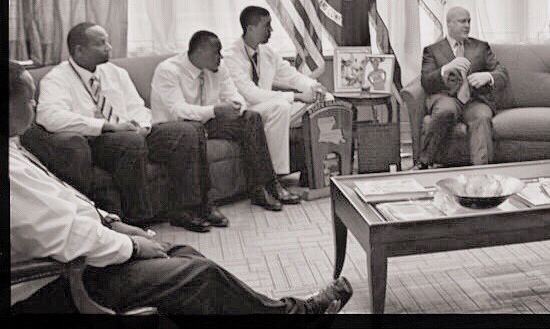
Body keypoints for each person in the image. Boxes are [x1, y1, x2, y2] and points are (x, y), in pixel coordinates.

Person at [9, 61, 352, 315]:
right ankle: (294, 314)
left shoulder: (14, 148)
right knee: (197, 274)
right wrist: (132, 245)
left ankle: (277, 310)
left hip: (86, 255)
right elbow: (64, 233)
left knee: (185, 254)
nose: (34, 106)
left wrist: (112, 222)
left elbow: (63, 201)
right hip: (65, 280)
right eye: (28, 100)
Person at [25, 22, 215, 232]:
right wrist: (106, 126)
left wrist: (143, 125)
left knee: (185, 131)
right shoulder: (58, 78)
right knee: (130, 141)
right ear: (80, 50)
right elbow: (49, 116)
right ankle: (138, 220)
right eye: (101, 43)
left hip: (132, 132)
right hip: (96, 140)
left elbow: (137, 106)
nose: (110, 47)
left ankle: (185, 210)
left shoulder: (116, 72)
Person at [150, 31, 302, 212]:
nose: (221, 58)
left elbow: (233, 94)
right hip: (176, 127)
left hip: (207, 121)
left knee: (251, 119)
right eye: (216, 53)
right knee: (194, 129)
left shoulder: (219, 68)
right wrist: (215, 110)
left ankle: (264, 187)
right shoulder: (168, 70)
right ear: (200, 53)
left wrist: (237, 106)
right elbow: (177, 111)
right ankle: (204, 205)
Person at [224, 6, 330, 178]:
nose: (271, 30)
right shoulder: (230, 56)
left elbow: (293, 77)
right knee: (281, 106)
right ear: (251, 29)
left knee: (322, 101)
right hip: (248, 111)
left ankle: (314, 172)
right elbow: (251, 94)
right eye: (267, 26)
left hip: (270, 107)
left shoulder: (268, 53)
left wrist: (315, 87)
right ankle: (274, 176)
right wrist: (297, 96)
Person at [417, 6, 508, 168]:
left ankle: (481, 172)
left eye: (469, 21)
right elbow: (426, 81)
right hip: (446, 97)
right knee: (446, 110)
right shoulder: (432, 50)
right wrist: (445, 69)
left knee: (481, 116)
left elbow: (502, 73)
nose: (467, 25)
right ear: (449, 24)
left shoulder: (481, 47)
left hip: (475, 100)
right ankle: (424, 163)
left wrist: (487, 76)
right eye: (462, 21)